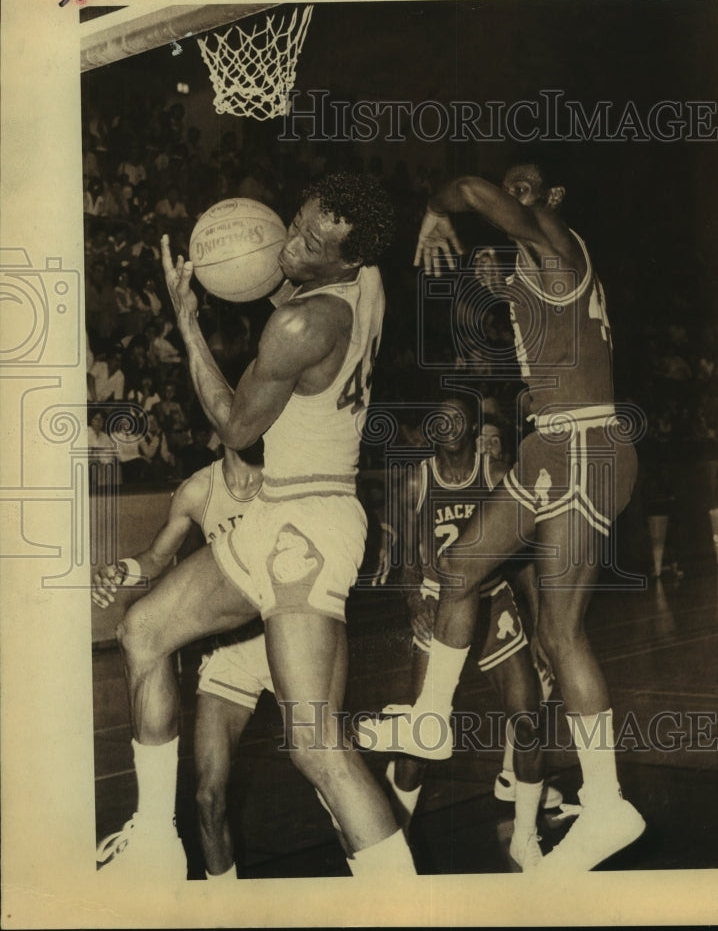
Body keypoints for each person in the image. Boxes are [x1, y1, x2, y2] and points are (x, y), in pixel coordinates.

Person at [99, 172, 415, 880]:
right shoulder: (366, 285)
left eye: (308, 241)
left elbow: (236, 426)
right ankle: (154, 839)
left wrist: (186, 319)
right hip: (284, 514)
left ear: (348, 259)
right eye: (293, 223)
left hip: (307, 528)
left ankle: (404, 904)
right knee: (143, 630)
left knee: (312, 744)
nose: (289, 244)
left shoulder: (302, 325)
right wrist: (254, 264)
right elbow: (288, 279)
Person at [358, 162, 645, 872]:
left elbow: (469, 189)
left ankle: (606, 804)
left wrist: (437, 209)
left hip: (584, 442)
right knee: (457, 568)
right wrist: (502, 282)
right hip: (551, 443)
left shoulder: (555, 241)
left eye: (525, 189)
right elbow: (543, 343)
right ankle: (430, 717)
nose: (511, 200)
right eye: (510, 189)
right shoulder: (535, 267)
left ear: (551, 200)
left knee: (559, 631)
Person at [380, 395, 554, 870]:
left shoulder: (497, 475)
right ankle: (398, 838)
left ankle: (525, 837)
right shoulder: (415, 481)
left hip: (493, 600)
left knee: (528, 719)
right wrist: (415, 602)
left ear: (475, 426)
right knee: (421, 736)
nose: (449, 424)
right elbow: (402, 560)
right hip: (439, 606)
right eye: (440, 416)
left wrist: (539, 628)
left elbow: (527, 562)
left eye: (459, 416)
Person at [92, 445, 269, 878]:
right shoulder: (197, 490)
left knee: (327, 773)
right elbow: (155, 559)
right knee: (208, 799)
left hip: (291, 635)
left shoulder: (289, 474)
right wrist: (120, 569)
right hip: (232, 648)